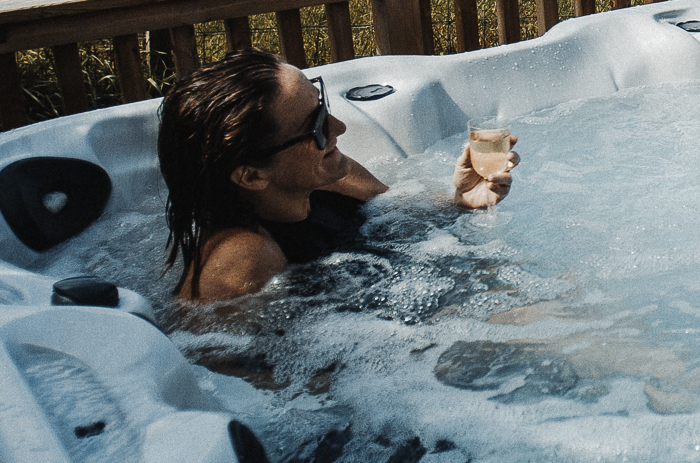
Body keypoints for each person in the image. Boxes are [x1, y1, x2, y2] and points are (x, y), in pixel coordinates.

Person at [159, 49, 516, 304]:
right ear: (251, 176)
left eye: (322, 106)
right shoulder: (238, 261)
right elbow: (231, 374)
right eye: (314, 126)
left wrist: (460, 201)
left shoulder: (331, 176)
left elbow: (403, 218)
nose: (339, 127)